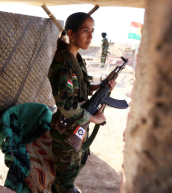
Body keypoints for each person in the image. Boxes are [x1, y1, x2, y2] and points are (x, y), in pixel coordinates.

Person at [48, 12, 116, 193]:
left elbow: (82, 89)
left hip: (77, 126)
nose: (91, 36)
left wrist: (102, 87)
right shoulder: (63, 64)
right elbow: (65, 103)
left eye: (92, 31)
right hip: (66, 130)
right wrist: (92, 118)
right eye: (86, 30)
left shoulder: (77, 59)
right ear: (70, 33)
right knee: (65, 179)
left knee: (77, 166)